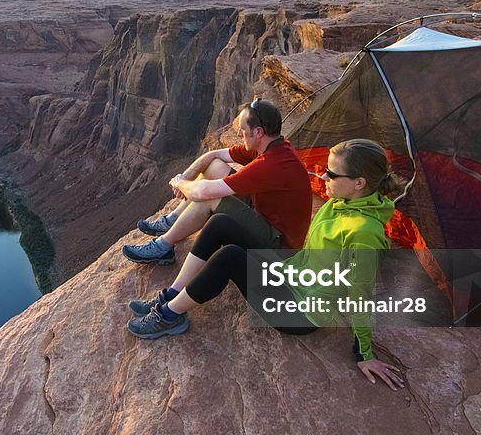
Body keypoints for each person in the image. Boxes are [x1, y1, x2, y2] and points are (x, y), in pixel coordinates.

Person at [126, 138, 405, 389]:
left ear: (360, 183)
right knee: (222, 222)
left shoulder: (365, 233)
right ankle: (174, 293)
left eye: (332, 173)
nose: (324, 176)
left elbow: (361, 295)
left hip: (298, 313)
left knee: (231, 257)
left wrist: (364, 353)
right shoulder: (340, 202)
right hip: (290, 274)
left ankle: (169, 316)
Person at [122, 99, 312, 265]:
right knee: (214, 166)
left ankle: (163, 246)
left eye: (243, 130)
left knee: (209, 197)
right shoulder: (270, 145)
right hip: (265, 215)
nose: (238, 134)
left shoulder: (271, 163)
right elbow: (213, 155)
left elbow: (203, 192)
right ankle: (172, 221)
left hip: (278, 245)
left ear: (258, 132)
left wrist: (180, 184)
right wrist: (186, 176)